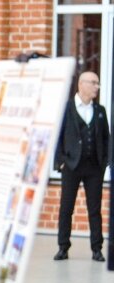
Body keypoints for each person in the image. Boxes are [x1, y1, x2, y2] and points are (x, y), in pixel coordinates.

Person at [54, 71, 110, 262]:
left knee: (94, 209)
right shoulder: (66, 108)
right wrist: (59, 161)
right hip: (71, 165)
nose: (97, 86)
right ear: (82, 84)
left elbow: (106, 138)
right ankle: (63, 247)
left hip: (94, 167)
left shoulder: (100, 110)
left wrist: (106, 163)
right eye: (93, 83)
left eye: (98, 83)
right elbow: (57, 137)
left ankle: (97, 249)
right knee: (66, 208)